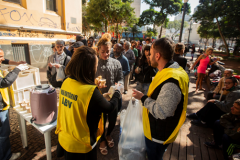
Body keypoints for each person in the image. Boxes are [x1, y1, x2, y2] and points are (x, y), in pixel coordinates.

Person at [55, 46, 122, 160]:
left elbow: (83, 103)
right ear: (89, 69)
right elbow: (109, 108)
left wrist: (102, 96)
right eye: (95, 66)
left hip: (65, 138)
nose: (96, 69)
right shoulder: (90, 91)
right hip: (82, 145)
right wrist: (117, 93)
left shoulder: (67, 82)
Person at [132, 38, 189, 160]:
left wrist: (142, 98)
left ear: (157, 55)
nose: (149, 57)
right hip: (157, 131)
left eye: (151, 54)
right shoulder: (169, 70)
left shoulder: (171, 81)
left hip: (158, 135)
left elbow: (162, 112)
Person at [95, 38, 124, 155]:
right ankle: (101, 139)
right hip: (98, 99)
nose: (106, 54)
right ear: (97, 50)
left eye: (108, 51)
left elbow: (121, 79)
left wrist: (118, 87)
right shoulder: (94, 64)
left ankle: (108, 134)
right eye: (103, 51)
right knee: (100, 121)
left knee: (112, 121)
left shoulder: (116, 63)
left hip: (113, 98)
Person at [0, 48, 29, 160]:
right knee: (3, 134)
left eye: (2, 56)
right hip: (0, 108)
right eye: (0, 57)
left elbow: (5, 60)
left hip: (4, 105)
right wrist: (16, 69)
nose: (2, 59)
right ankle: (6, 156)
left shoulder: (1, 60)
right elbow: (4, 82)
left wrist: (17, 63)